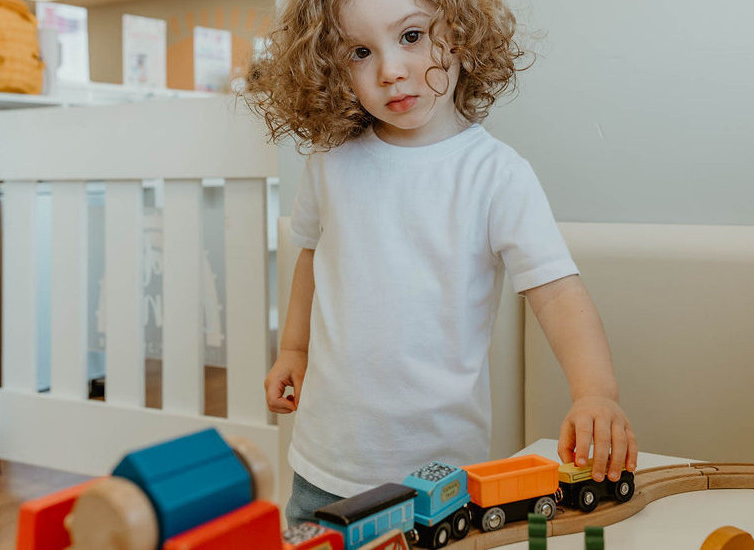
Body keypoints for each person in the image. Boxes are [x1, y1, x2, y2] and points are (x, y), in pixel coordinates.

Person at [244, 0, 638, 526]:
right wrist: (293, 347)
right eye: (360, 52)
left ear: (462, 32)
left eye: (411, 37)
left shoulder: (496, 175)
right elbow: (312, 258)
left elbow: (557, 291)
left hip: (440, 478)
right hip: (324, 467)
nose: (390, 71)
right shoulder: (330, 160)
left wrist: (596, 393)